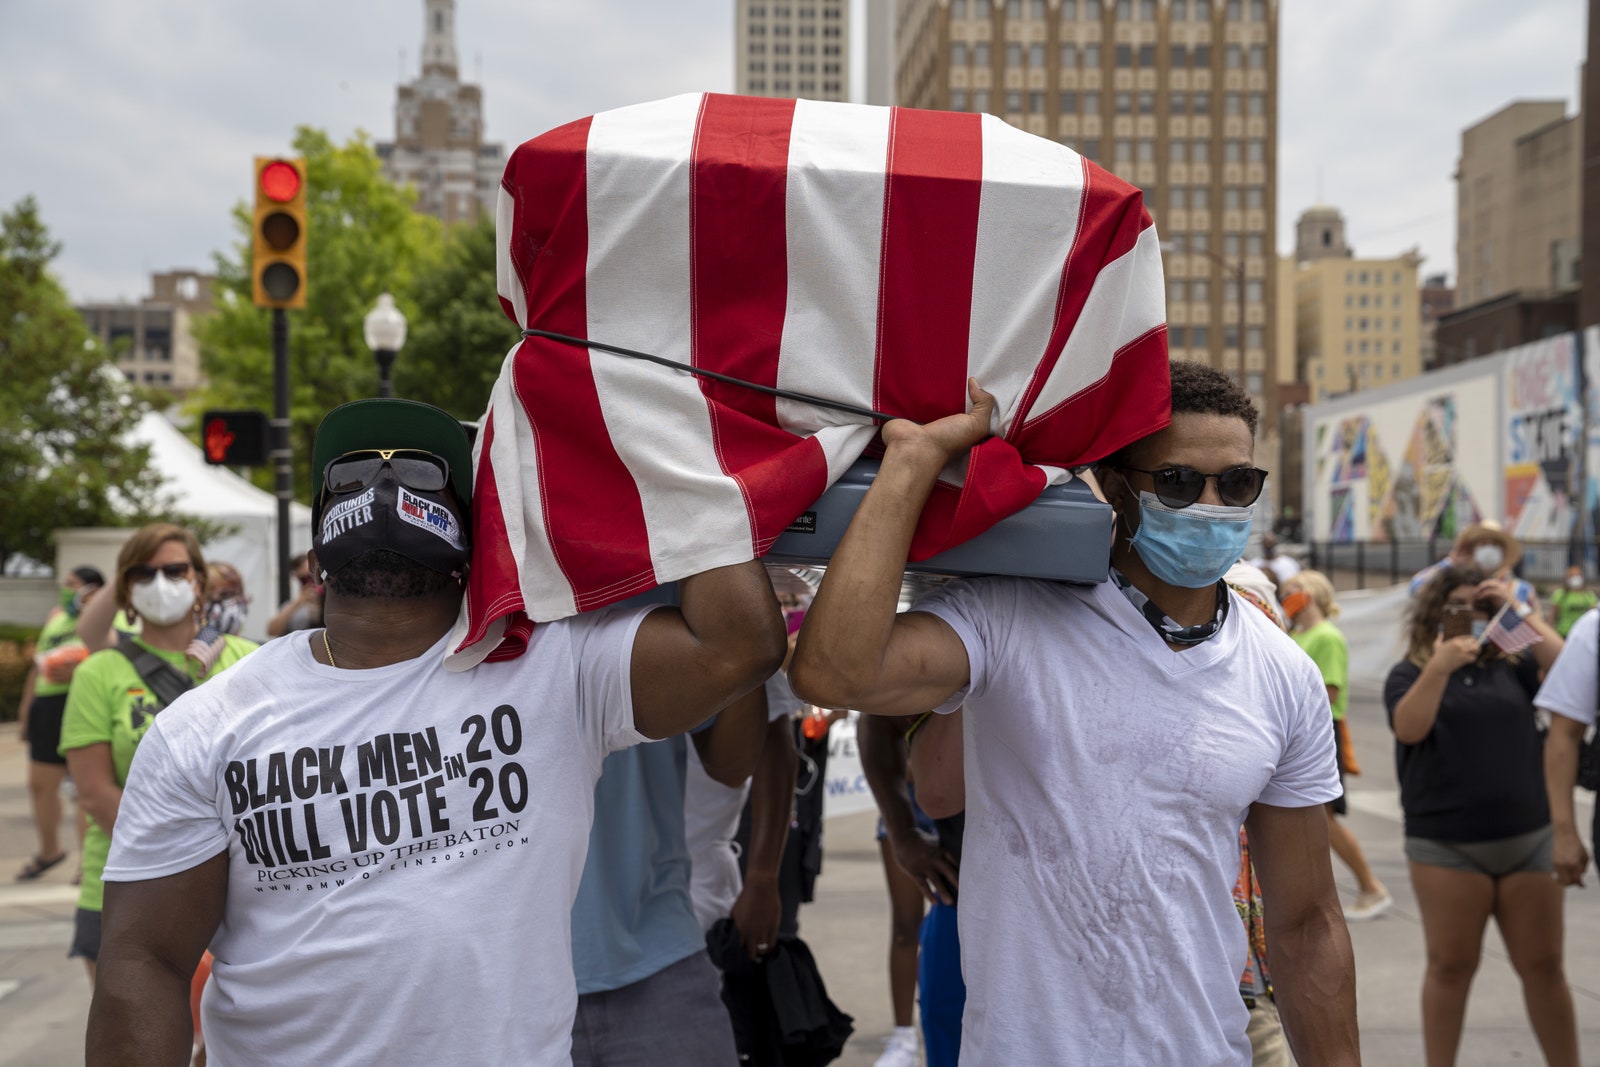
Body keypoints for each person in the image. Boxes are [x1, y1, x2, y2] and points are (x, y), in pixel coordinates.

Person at [86, 398, 787, 1065]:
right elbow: (144, 957)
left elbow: (739, 646)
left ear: (471, 526)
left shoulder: (555, 667)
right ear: (319, 538)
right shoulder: (206, 727)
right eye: (354, 475)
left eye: (420, 473)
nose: (385, 486)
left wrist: (655, 434)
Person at [790, 362, 1358, 1065]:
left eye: (1238, 484)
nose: (1214, 506)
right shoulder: (1009, 616)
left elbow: (1306, 924)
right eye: (1180, 483)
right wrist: (912, 461)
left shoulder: (1285, 674)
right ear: (1119, 487)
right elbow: (830, 670)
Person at [1384, 566, 1576, 1067]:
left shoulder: (1511, 666)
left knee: (1544, 967)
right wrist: (1440, 667)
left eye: (1480, 609)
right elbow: (1408, 729)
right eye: (1458, 608)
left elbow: (1568, 669)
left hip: (1527, 839)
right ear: (1435, 616)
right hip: (1447, 847)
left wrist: (1519, 610)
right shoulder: (1410, 672)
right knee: (1450, 967)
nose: (1470, 618)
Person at [58, 525, 257, 984]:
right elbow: (94, 792)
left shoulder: (248, 662)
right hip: (129, 888)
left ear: (199, 580)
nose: (159, 583)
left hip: (243, 895)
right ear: (125, 587)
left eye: (174, 569)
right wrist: (181, 873)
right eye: (143, 573)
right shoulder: (99, 672)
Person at [1280, 568, 1391, 921]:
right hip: (1297, 729)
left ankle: (1371, 886)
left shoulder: (1326, 637)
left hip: (1320, 730)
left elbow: (1328, 693)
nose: (1286, 598)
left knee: (1324, 820)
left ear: (1309, 594)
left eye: (1291, 591)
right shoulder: (1298, 632)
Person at [860, 710, 961, 1067]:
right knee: (908, 929)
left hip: (1054, 908)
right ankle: (903, 1035)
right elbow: (876, 717)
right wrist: (902, 833)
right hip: (962, 895)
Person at [15, 565, 103, 881]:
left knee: (85, 788)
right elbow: (37, 668)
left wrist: (80, 668)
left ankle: (87, 864)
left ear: (92, 589)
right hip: (47, 706)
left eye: (72, 584)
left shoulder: (104, 621)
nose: (66, 588)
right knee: (40, 784)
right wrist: (26, 712)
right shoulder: (57, 620)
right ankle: (49, 850)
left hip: (80, 702)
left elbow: (114, 657)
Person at [1409, 521, 1533, 607]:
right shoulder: (1456, 583)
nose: (1489, 549)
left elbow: (1535, 630)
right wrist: (1452, 561)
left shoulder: (1520, 589)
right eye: (1483, 544)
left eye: (1495, 545)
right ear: (1471, 550)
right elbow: (1416, 587)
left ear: (1503, 552)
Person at [264, 552, 323, 637]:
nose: (310, 583)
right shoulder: (293, 606)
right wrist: (298, 602)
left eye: (313, 577)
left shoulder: (330, 601)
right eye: (304, 579)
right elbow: (271, 631)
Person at [1545, 565, 1596, 639]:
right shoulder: (1560, 595)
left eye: (1577, 575)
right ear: (1567, 578)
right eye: (1572, 576)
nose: (1575, 578)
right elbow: (1552, 618)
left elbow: (1593, 616)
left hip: (1583, 635)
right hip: (1563, 634)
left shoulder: (1589, 596)